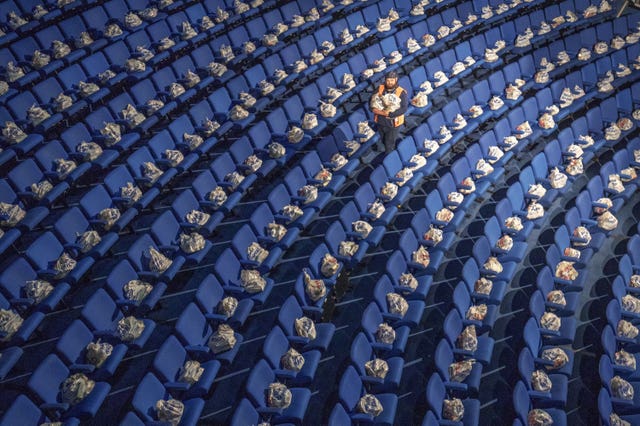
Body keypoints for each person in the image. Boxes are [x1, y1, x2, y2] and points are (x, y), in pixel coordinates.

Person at [370, 71, 408, 155]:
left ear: (396, 80)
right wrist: (373, 109)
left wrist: (389, 114)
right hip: (380, 121)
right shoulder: (380, 88)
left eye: (392, 80)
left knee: (389, 144)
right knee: (384, 140)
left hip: (394, 123)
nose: (390, 82)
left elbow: (404, 108)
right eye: (388, 80)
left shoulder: (401, 92)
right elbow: (371, 101)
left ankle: (390, 160)